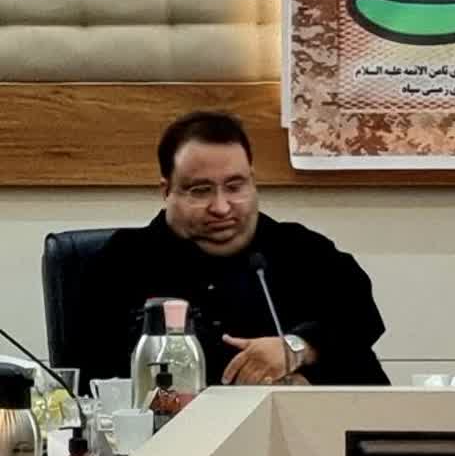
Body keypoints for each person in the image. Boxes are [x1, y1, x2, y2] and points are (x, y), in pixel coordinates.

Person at [76, 112, 389, 387]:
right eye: (201, 191)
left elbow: (360, 318)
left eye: (235, 187)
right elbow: (97, 376)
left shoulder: (299, 248)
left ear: (252, 182)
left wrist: (296, 348)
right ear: (167, 191)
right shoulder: (123, 261)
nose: (221, 207)